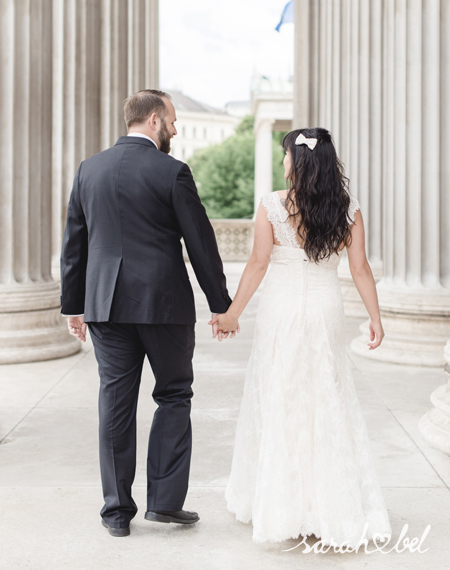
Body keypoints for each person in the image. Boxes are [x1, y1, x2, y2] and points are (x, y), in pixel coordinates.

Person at [60, 89, 236, 537]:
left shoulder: (89, 170)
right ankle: (164, 503)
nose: (176, 129)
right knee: (174, 394)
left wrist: (73, 306)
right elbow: (201, 244)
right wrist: (221, 304)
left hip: (105, 305)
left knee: (115, 404)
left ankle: (117, 513)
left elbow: (74, 246)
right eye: (173, 121)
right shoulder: (172, 172)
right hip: (163, 305)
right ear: (155, 120)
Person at [212, 127, 392, 548]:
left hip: (282, 311)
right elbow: (361, 269)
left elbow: (257, 264)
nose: (283, 161)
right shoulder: (348, 209)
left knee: (283, 396)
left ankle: (283, 503)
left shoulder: (272, 205)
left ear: (299, 161)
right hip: (326, 310)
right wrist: (376, 319)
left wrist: (231, 314)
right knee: (325, 398)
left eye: (286, 154)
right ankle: (326, 503)